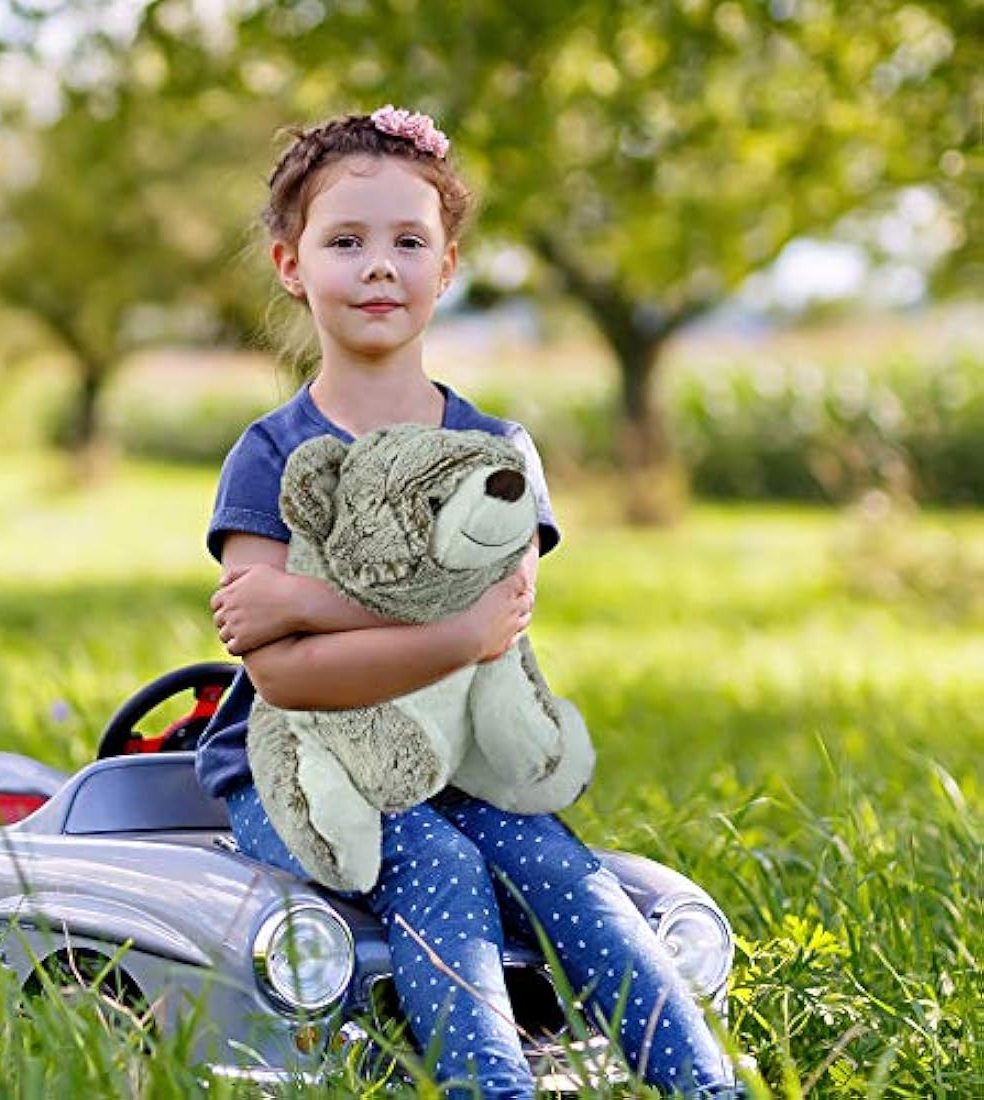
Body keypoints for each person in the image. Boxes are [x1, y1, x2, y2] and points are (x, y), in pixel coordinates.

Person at [199, 106, 738, 1098]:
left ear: (445, 269)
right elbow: (283, 672)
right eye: (345, 241)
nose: (377, 266)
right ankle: (490, 1086)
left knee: (562, 869)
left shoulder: (495, 451)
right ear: (289, 263)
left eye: (408, 241)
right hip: (297, 766)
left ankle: (706, 1086)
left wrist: (305, 597)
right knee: (435, 860)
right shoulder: (268, 453)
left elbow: (488, 622)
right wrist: (443, 628)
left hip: (455, 757)